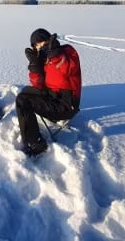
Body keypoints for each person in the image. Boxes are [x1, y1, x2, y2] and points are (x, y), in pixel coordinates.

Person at [16, 28, 82, 156]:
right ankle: (31, 137)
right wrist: (35, 66)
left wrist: (55, 54)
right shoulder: (45, 60)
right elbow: (38, 85)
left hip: (66, 105)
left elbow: (69, 69)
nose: (39, 46)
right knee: (24, 93)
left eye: (41, 41)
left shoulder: (67, 52)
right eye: (35, 45)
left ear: (49, 40)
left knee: (23, 100)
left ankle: (35, 144)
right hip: (52, 97)